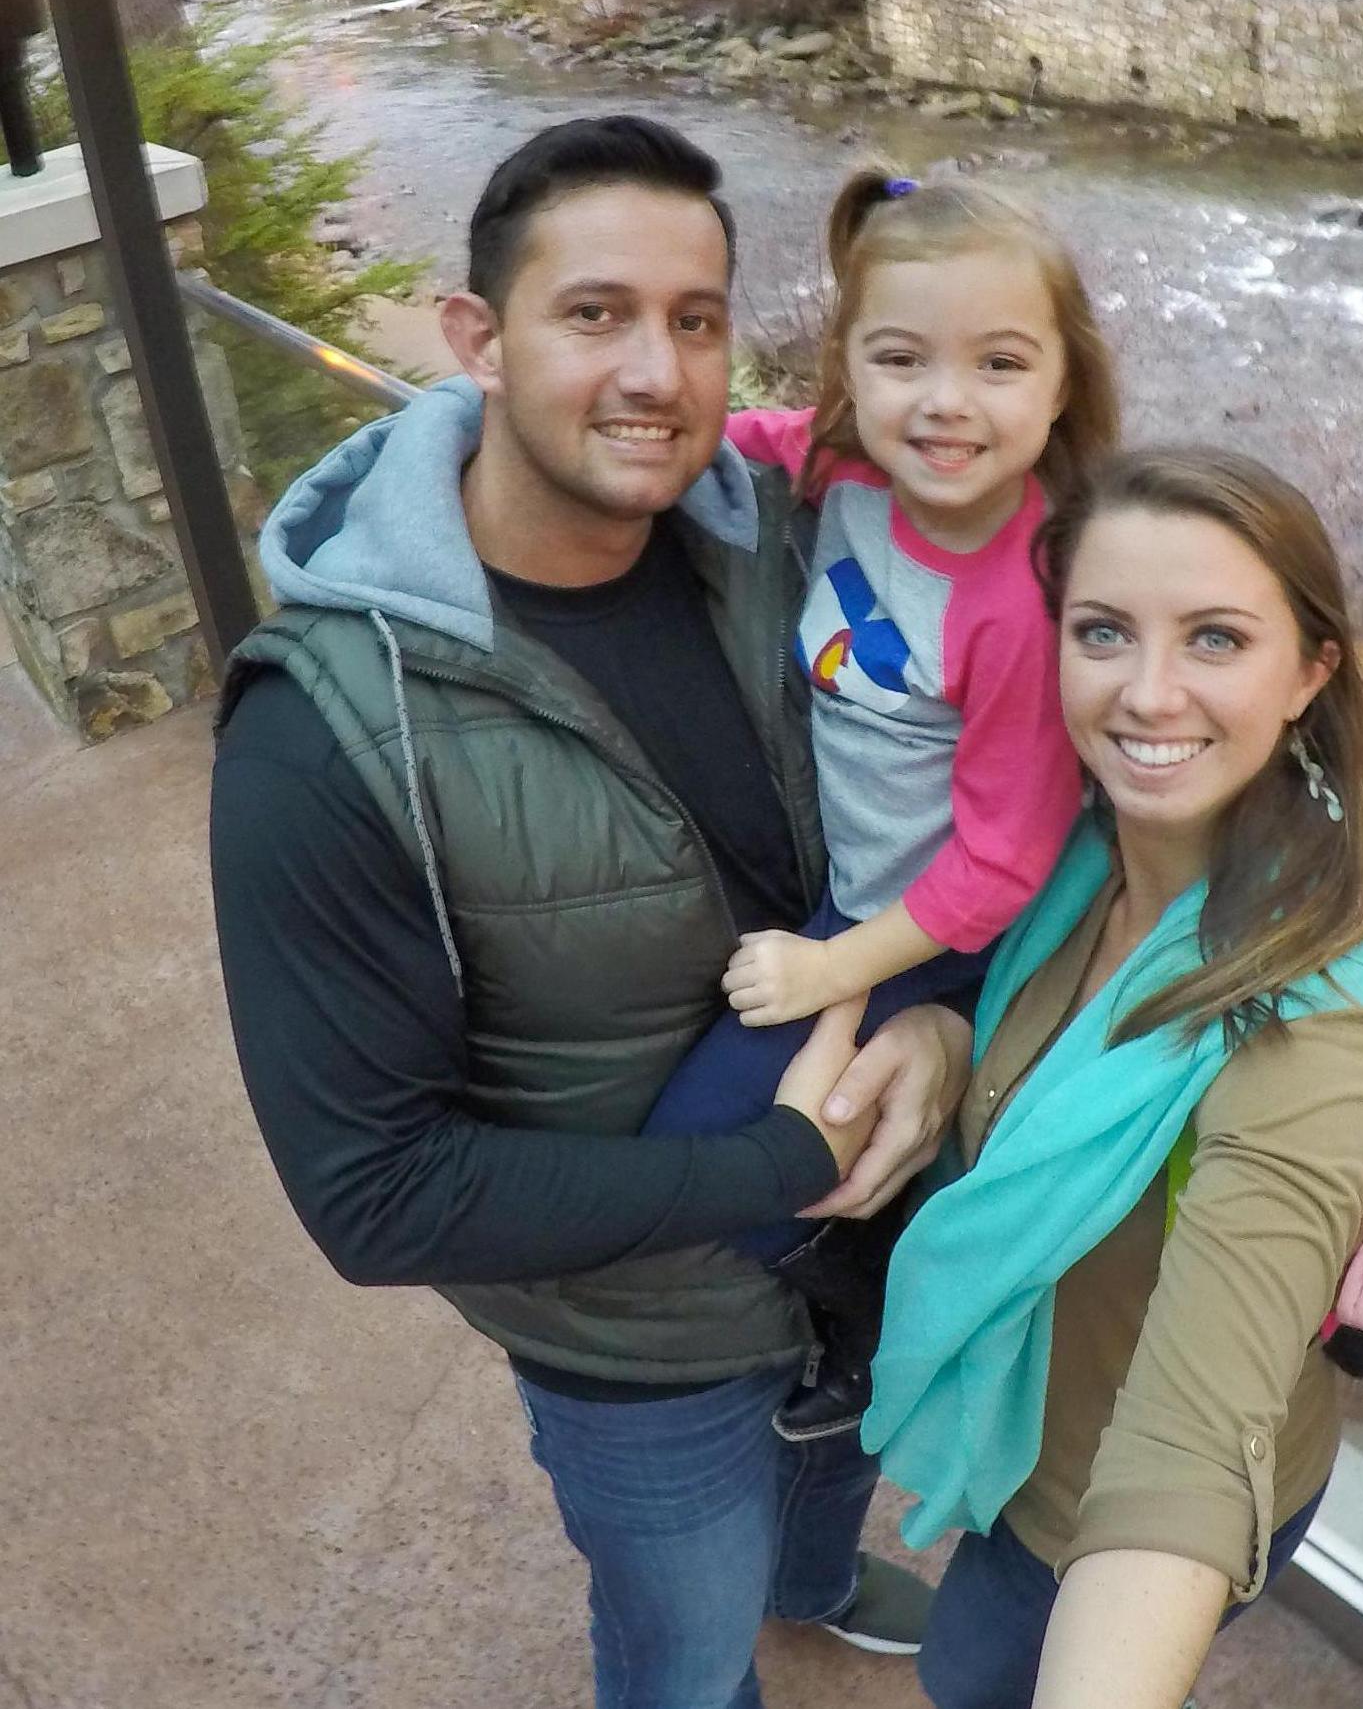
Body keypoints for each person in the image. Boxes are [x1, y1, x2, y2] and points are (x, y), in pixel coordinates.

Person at [210, 116, 974, 1709]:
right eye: (596, 314)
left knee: (833, 1467)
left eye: (695, 319)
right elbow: (375, 1193)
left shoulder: (775, 544)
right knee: (682, 1651)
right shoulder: (335, 736)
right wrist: (775, 1164)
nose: (657, 371)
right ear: (474, 337)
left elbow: (940, 816)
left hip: (876, 1226)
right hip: (644, 1350)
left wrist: (942, 1023)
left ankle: (815, 1575)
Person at [864, 448, 1363, 1709]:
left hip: (1100, 1500)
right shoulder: (1075, 858)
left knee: (972, 1669)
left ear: (1309, 670)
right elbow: (1057, 1061)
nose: (1146, 692)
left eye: (1213, 639)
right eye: (1102, 630)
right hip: (1027, 1427)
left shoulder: (1328, 1007)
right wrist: (947, 1040)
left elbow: (1196, 1419)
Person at [643, 168, 1119, 1440]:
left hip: (940, 938)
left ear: (1062, 382)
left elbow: (1004, 862)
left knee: (723, 1164)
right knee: (710, 1134)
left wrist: (832, 971)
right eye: (902, 356)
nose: (946, 402)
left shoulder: (1021, 600)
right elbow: (730, 445)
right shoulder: (844, 470)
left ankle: (861, 1297)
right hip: (851, 897)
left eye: (999, 364)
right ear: (849, 365)